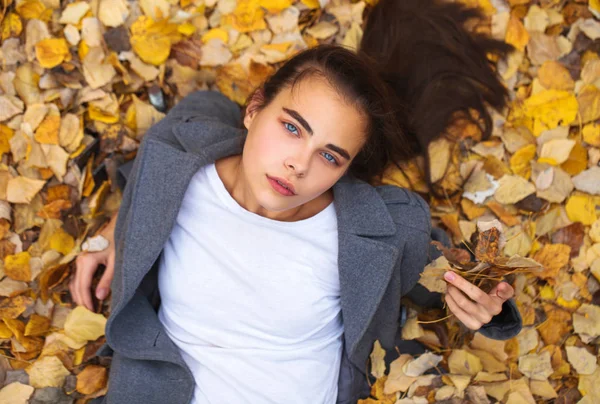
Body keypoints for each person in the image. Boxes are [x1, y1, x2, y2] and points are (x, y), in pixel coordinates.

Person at [70, 0, 522, 402]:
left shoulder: (375, 227)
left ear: (346, 169)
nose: (299, 166)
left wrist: (483, 300)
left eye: (329, 155)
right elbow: (207, 107)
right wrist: (117, 230)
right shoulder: (179, 160)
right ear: (253, 109)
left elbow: (451, 277)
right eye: (291, 128)